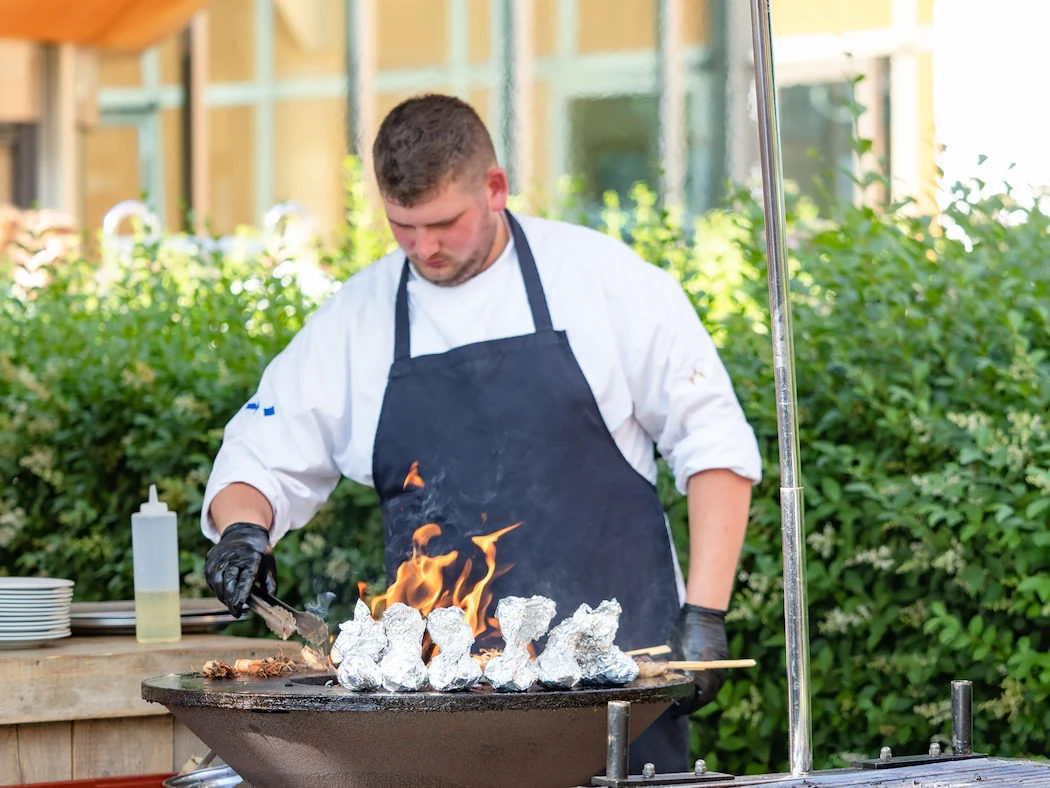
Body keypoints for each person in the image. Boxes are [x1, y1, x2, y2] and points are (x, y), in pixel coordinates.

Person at [201, 93, 761, 773]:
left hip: (618, 699)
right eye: (402, 227)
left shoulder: (605, 282)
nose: (424, 248)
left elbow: (715, 446)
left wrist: (703, 613)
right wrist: (243, 529)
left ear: (495, 188)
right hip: (443, 714)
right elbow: (261, 456)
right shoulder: (357, 319)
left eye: (443, 223)